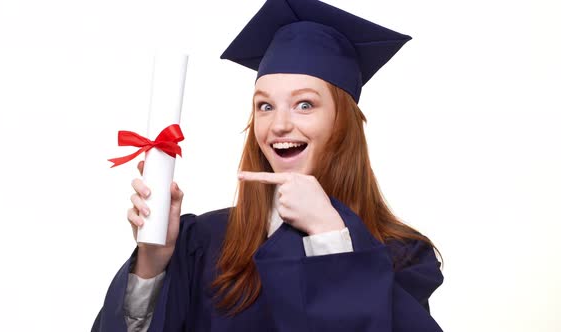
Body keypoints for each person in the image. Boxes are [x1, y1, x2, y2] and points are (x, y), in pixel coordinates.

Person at [92, 0, 444, 331]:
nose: (278, 125)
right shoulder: (205, 240)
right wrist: (154, 262)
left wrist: (328, 235)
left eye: (305, 105)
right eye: (265, 106)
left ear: (343, 123)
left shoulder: (402, 254)